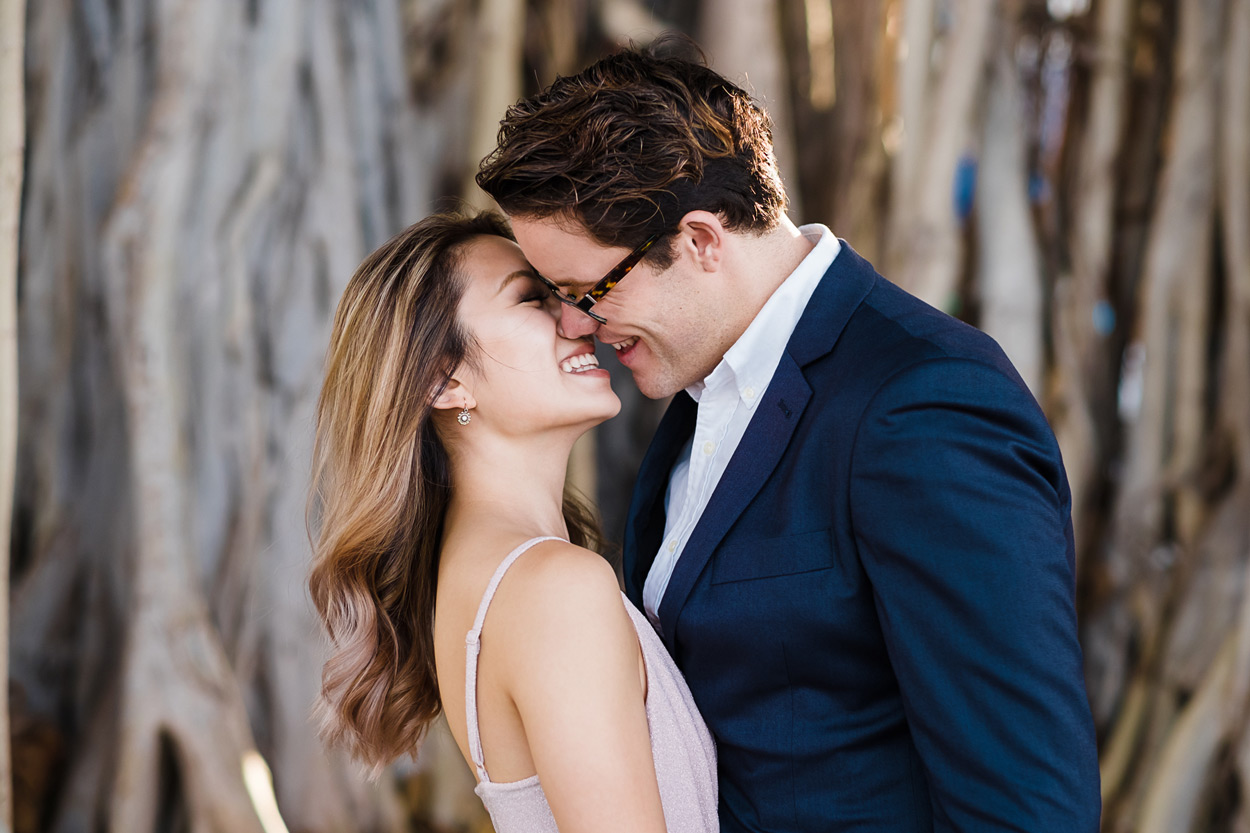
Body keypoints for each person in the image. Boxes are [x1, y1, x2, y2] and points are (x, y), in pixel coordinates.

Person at [476, 40, 1102, 832]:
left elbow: (1027, 809)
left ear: (702, 241)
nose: (575, 327)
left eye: (586, 291)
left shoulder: (922, 406)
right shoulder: (700, 394)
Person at [307, 212, 718, 832]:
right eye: (532, 298)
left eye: (566, 294)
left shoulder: (490, 575)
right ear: (442, 380)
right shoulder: (551, 588)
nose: (581, 319)